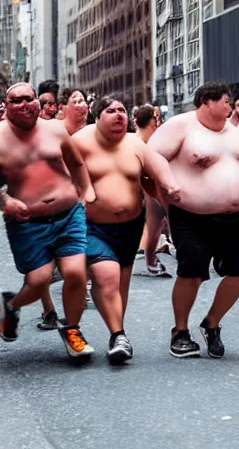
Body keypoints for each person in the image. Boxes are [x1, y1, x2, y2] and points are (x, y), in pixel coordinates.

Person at [147, 81, 239, 359]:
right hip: (192, 216)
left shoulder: (235, 133)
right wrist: (167, 188)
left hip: (237, 216)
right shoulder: (181, 126)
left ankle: (212, 323)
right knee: (191, 272)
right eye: (225, 101)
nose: (230, 105)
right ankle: (180, 331)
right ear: (206, 101)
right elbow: (152, 157)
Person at [72, 96, 181, 364]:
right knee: (105, 274)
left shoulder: (135, 144)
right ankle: (118, 334)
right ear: (97, 117)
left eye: (122, 110)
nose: (118, 115)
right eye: (110, 111)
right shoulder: (79, 142)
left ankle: (116, 337)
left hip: (130, 226)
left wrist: (169, 186)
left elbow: (157, 167)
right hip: (92, 226)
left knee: (120, 284)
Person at [0, 82, 95, 359]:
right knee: (39, 280)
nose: (24, 104)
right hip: (27, 222)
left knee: (77, 274)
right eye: (16, 100)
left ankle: (73, 331)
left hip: (69, 214)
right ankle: (11, 305)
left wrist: (86, 190)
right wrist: (5, 202)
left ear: (38, 103)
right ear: (6, 106)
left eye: (28, 99)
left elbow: (76, 163)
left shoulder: (55, 129)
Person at [134, 104, 171, 276]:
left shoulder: (151, 140)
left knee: (157, 223)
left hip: (147, 189)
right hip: (141, 191)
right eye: (156, 117)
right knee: (155, 223)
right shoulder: (139, 142)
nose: (158, 121)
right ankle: (150, 259)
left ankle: (151, 259)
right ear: (151, 121)